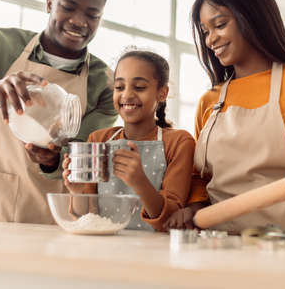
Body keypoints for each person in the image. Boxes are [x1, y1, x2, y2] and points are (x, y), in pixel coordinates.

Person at [164, 0, 285, 234]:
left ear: (253, 16)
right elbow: (200, 179)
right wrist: (193, 209)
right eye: (205, 31)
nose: (210, 39)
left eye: (220, 25)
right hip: (220, 245)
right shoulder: (210, 101)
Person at [0, 0, 117, 224]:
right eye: (68, 7)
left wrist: (52, 160)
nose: (79, 21)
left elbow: (82, 159)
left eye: (92, 14)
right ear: (50, 4)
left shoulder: (105, 83)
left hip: (53, 218)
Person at [62, 50, 196, 231]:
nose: (127, 94)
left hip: (155, 252)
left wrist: (140, 182)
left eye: (139, 87)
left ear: (162, 93)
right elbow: (86, 217)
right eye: (119, 87)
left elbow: (172, 218)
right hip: (104, 249)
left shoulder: (179, 142)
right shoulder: (98, 139)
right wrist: (78, 192)